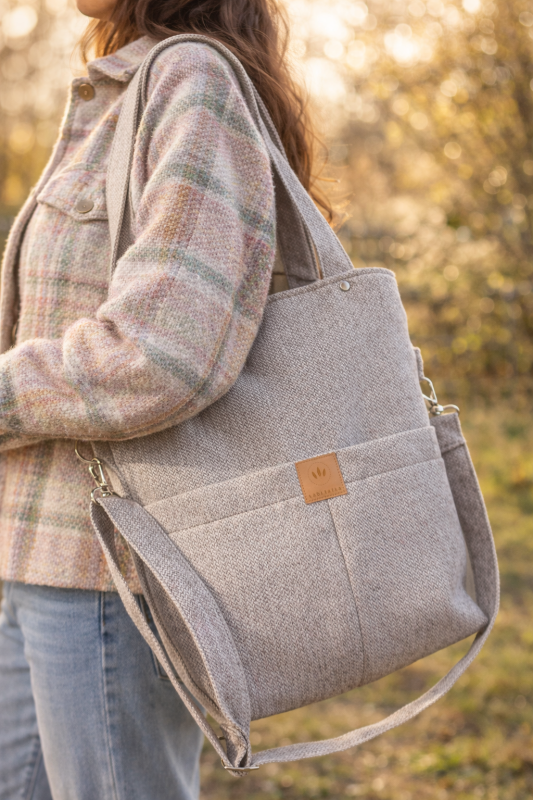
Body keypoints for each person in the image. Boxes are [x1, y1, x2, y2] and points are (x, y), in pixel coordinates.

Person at [0, 0, 331, 798]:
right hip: (32, 548)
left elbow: (162, 350)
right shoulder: (121, 88)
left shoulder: (191, 81)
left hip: (115, 571)